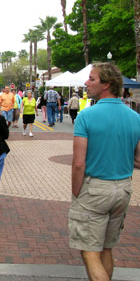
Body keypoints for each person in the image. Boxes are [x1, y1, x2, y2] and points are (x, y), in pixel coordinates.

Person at [69, 62, 140, 281]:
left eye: (92, 79)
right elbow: (138, 159)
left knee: (90, 251)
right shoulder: (135, 117)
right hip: (123, 189)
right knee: (106, 248)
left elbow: (79, 163)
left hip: (95, 189)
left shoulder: (86, 116)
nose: (86, 83)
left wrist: (77, 193)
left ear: (107, 84)